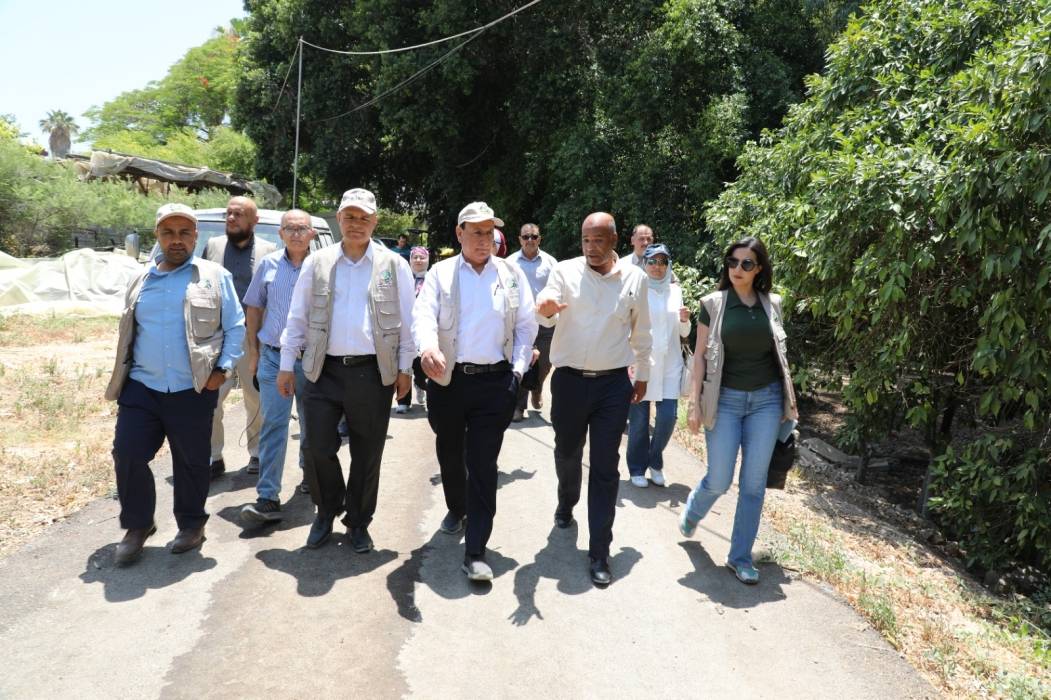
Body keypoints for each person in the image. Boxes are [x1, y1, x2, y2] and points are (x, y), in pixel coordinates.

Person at [105, 203, 245, 565]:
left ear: (195, 237)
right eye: (168, 233)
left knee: (192, 461)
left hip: (192, 387)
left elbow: (235, 327)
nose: (176, 240)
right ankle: (138, 525)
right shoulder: (140, 279)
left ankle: (192, 524)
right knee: (128, 453)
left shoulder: (214, 276)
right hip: (142, 386)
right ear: (158, 236)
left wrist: (223, 370)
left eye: (184, 233)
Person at [279, 188, 416, 552]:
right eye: (350, 217)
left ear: (375, 222)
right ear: (339, 219)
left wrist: (405, 369)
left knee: (367, 453)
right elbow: (297, 316)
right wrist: (286, 365)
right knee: (315, 446)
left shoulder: (394, 265)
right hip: (322, 370)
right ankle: (327, 509)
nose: (356, 224)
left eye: (364, 218)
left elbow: (408, 322)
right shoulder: (317, 262)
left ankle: (358, 521)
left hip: (372, 373)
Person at [412, 201, 538, 582]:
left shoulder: (511, 275)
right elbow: (423, 315)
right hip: (449, 380)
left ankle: (476, 551)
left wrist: (516, 373)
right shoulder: (441, 273)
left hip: (495, 383)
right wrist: (427, 348)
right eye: (476, 232)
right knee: (450, 453)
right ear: (459, 233)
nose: (485, 240)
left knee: (483, 464)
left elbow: (526, 327)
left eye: (489, 232)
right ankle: (457, 506)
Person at [535, 212, 651, 586]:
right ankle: (566, 500)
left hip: (612, 386)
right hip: (569, 382)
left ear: (614, 240)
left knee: (605, 466)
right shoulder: (565, 271)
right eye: (586, 240)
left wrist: (643, 374)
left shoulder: (635, 278)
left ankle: (600, 551)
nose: (591, 248)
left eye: (598, 240)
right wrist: (545, 309)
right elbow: (547, 305)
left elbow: (642, 331)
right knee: (567, 453)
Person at [682, 236, 798, 585]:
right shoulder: (713, 304)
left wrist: (788, 403)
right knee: (719, 478)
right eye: (732, 262)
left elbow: (780, 358)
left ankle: (740, 557)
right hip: (726, 401)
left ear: (759, 268)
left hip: (766, 401)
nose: (738, 269)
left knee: (753, 485)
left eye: (746, 263)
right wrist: (694, 403)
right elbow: (700, 356)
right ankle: (695, 508)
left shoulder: (772, 304)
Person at [238, 210, 316, 525]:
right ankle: (267, 497)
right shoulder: (268, 264)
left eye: (302, 228)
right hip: (272, 356)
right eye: (289, 228)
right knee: (274, 425)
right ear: (280, 233)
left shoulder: (322, 266)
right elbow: (254, 307)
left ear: (312, 234)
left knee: (312, 426)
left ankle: (310, 475)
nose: (296, 234)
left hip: (311, 360)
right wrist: (253, 353)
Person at [203, 196, 277, 478]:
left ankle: (256, 453)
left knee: (255, 398)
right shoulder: (213, 246)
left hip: (252, 338)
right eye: (229, 213)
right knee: (211, 399)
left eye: (239, 214)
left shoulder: (270, 251)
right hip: (217, 337)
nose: (232, 218)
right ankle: (213, 456)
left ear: (254, 221)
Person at [626, 243, 690, 488]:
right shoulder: (636, 289)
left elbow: (683, 332)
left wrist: (685, 321)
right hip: (642, 362)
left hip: (671, 363)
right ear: (645, 264)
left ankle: (655, 461)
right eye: (652, 261)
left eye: (662, 261)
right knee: (639, 421)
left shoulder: (676, 291)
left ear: (668, 265)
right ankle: (636, 467)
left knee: (668, 417)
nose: (657, 266)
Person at [507, 223, 558, 421]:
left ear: (539, 239)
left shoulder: (551, 263)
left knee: (544, 364)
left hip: (545, 322)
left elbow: (558, 290)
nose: (530, 240)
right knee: (522, 360)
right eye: (526, 237)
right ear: (520, 239)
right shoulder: (509, 263)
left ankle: (537, 389)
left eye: (534, 236)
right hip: (520, 322)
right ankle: (519, 407)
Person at [395, 245, 431, 413]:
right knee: (403, 363)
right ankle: (403, 400)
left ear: (428, 260)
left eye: (422, 257)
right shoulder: (403, 278)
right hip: (404, 327)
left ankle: (421, 385)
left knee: (422, 365)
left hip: (425, 328)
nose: (418, 260)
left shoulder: (433, 279)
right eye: (415, 257)